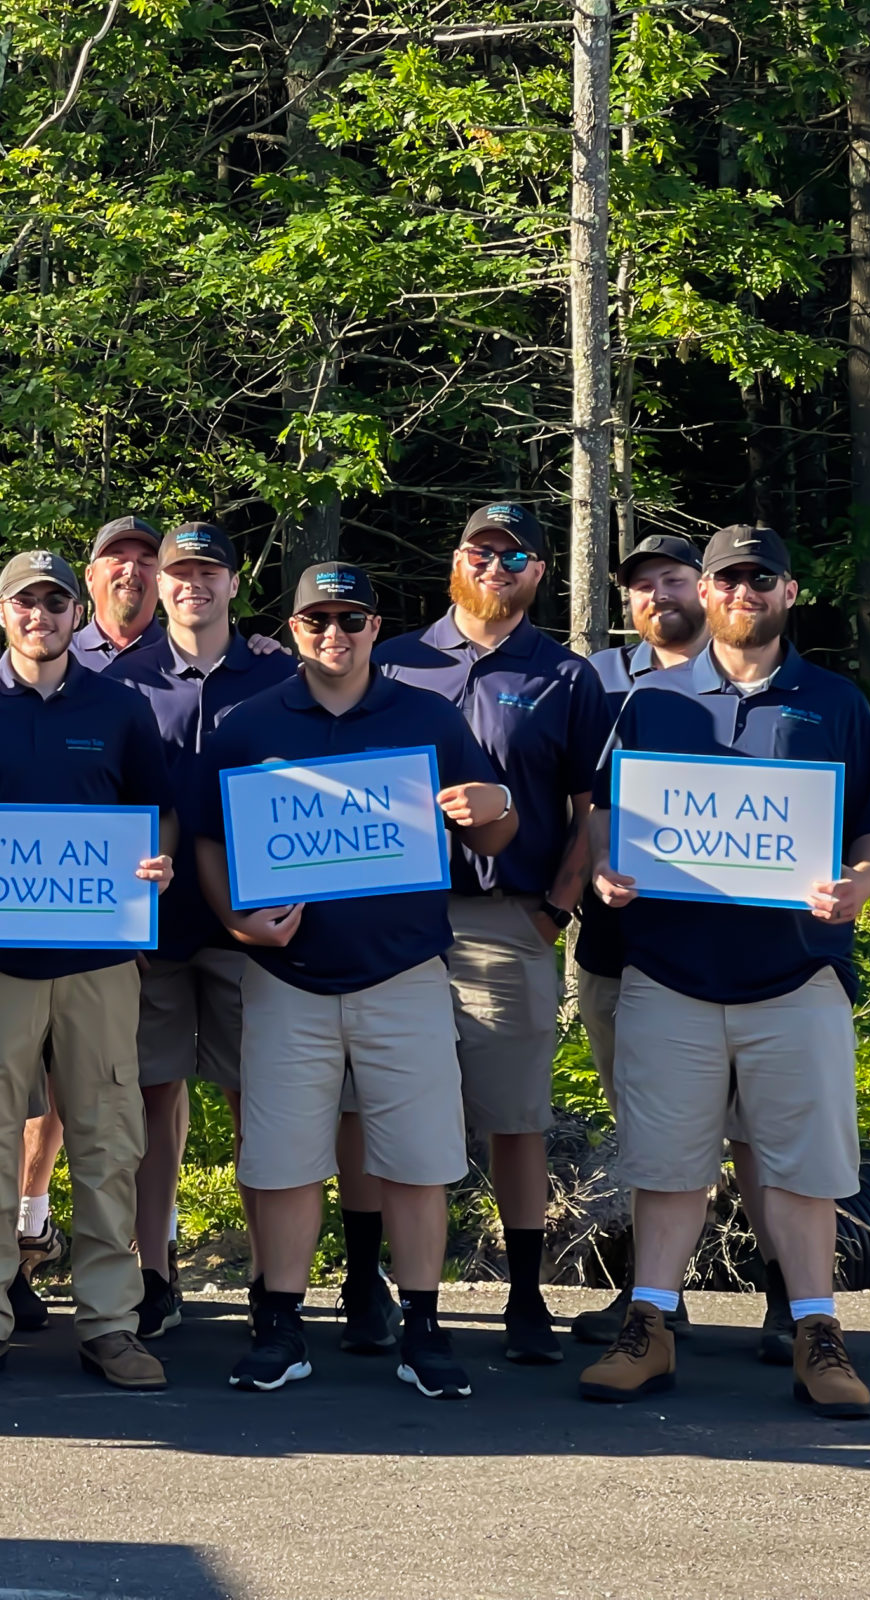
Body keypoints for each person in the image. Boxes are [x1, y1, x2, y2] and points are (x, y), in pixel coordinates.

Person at [577, 527, 870, 1420]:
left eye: (761, 578)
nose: (743, 592)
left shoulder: (833, 700)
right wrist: (605, 870)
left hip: (795, 976)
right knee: (666, 1163)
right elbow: (608, 816)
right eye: (728, 579)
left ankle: (817, 1331)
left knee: (805, 1168)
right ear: (707, 595)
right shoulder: (654, 702)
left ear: (789, 592)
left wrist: (861, 888)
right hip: (670, 974)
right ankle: (649, 1327)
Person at [193, 561, 517, 1401]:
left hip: (403, 972)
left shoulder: (427, 716)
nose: (334, 635)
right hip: (286, 978)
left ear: (377, 626)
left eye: (352, 620)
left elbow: (491, 833)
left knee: (418, 1163)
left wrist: (495, 808)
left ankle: (424, 1326)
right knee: (281, 1165)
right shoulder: (245, 724)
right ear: (292, 631)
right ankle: (282, 1325)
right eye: (316, 622)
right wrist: (234, 920)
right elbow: (207, 841)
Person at [0, 551, 181, 1390]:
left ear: (75, 613)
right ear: (0, 612)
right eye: (26, 604)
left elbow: (161, 814)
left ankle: (109, 1321)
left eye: (56, 603)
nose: (42, 617)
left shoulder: (121, 706)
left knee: (107, 1138)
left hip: (102, 960)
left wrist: (158, 865)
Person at [372, 502, 609, 1365]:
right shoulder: (393, 660)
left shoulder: (566, 676)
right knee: (377, 1105)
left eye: (516, 557)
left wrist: (554, 907)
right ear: (456, 558)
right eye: (482, 551)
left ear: (541, 572)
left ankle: (523, 1293)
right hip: (391, 918)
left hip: (506, 919)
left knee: (515, 1117)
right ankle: (375, 1284)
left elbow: (592, 809)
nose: (497, 567)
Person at [103, 521, 296, 1339]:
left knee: (261, 1102)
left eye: (207, 571)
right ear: (161, 584)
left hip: (254, 929)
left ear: (231, 581)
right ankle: (154, 1273)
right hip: (148, 930)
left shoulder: (279, 674)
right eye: (178, 573)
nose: (192, 585)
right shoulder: (118, 680)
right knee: (148, 1102)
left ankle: (269, 1279)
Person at [568, 533, 713, 1347]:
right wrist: (579, 879)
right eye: (641, 585)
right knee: (645, 1123)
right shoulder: (598, 678)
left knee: (755, 1130)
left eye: (674, 578)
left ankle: (787, 1304)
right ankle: (655, 1301)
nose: (658, 594)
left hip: (734, 949)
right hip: (619, 943)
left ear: (706, 588)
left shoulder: (750, 678)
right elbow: (574, 794)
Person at [73, 517, 169, 670]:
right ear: (90, 577)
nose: (131, 571)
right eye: (117, 559)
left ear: (162, 580)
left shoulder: (185, 661)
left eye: (146, 562)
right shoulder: (58, 659)